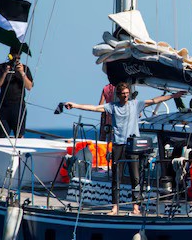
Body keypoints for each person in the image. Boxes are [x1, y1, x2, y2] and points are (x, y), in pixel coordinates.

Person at [65, 82, 185, 215]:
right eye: (123, 94)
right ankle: (115, 207)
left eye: (127, 94)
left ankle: (136, 207)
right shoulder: (112, 107)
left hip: (132, 145)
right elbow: (94, 108)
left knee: (135, 177)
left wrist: (174, 95)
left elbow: (154, 100)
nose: (126, 96)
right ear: (118, 95)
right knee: (116, 177)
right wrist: (75, 105)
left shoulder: (135, 104)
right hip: (118, 145)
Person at [0, 45, 33, 138]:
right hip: (4, 105)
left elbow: (29, 87)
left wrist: (22, 73)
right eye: (14, 56)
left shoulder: (24, 68)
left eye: (18, 56)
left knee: (19, 135)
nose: (16, 58)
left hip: (18, 105)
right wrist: (5, 73)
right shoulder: (1, 67)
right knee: (1, 135)